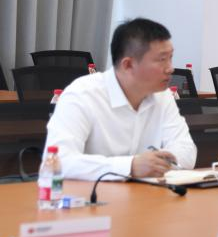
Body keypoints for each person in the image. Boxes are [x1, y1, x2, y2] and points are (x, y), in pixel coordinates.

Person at [44, 18, 196, 181]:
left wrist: (160, 162)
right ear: (128, 65)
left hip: (146, 194)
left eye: (170, 58)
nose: (170, 68)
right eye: (162, 59)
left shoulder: (162, 96)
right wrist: (130, 166)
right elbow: (57, 162)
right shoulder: (82, 94)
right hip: (89, 195)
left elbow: (186, 151)